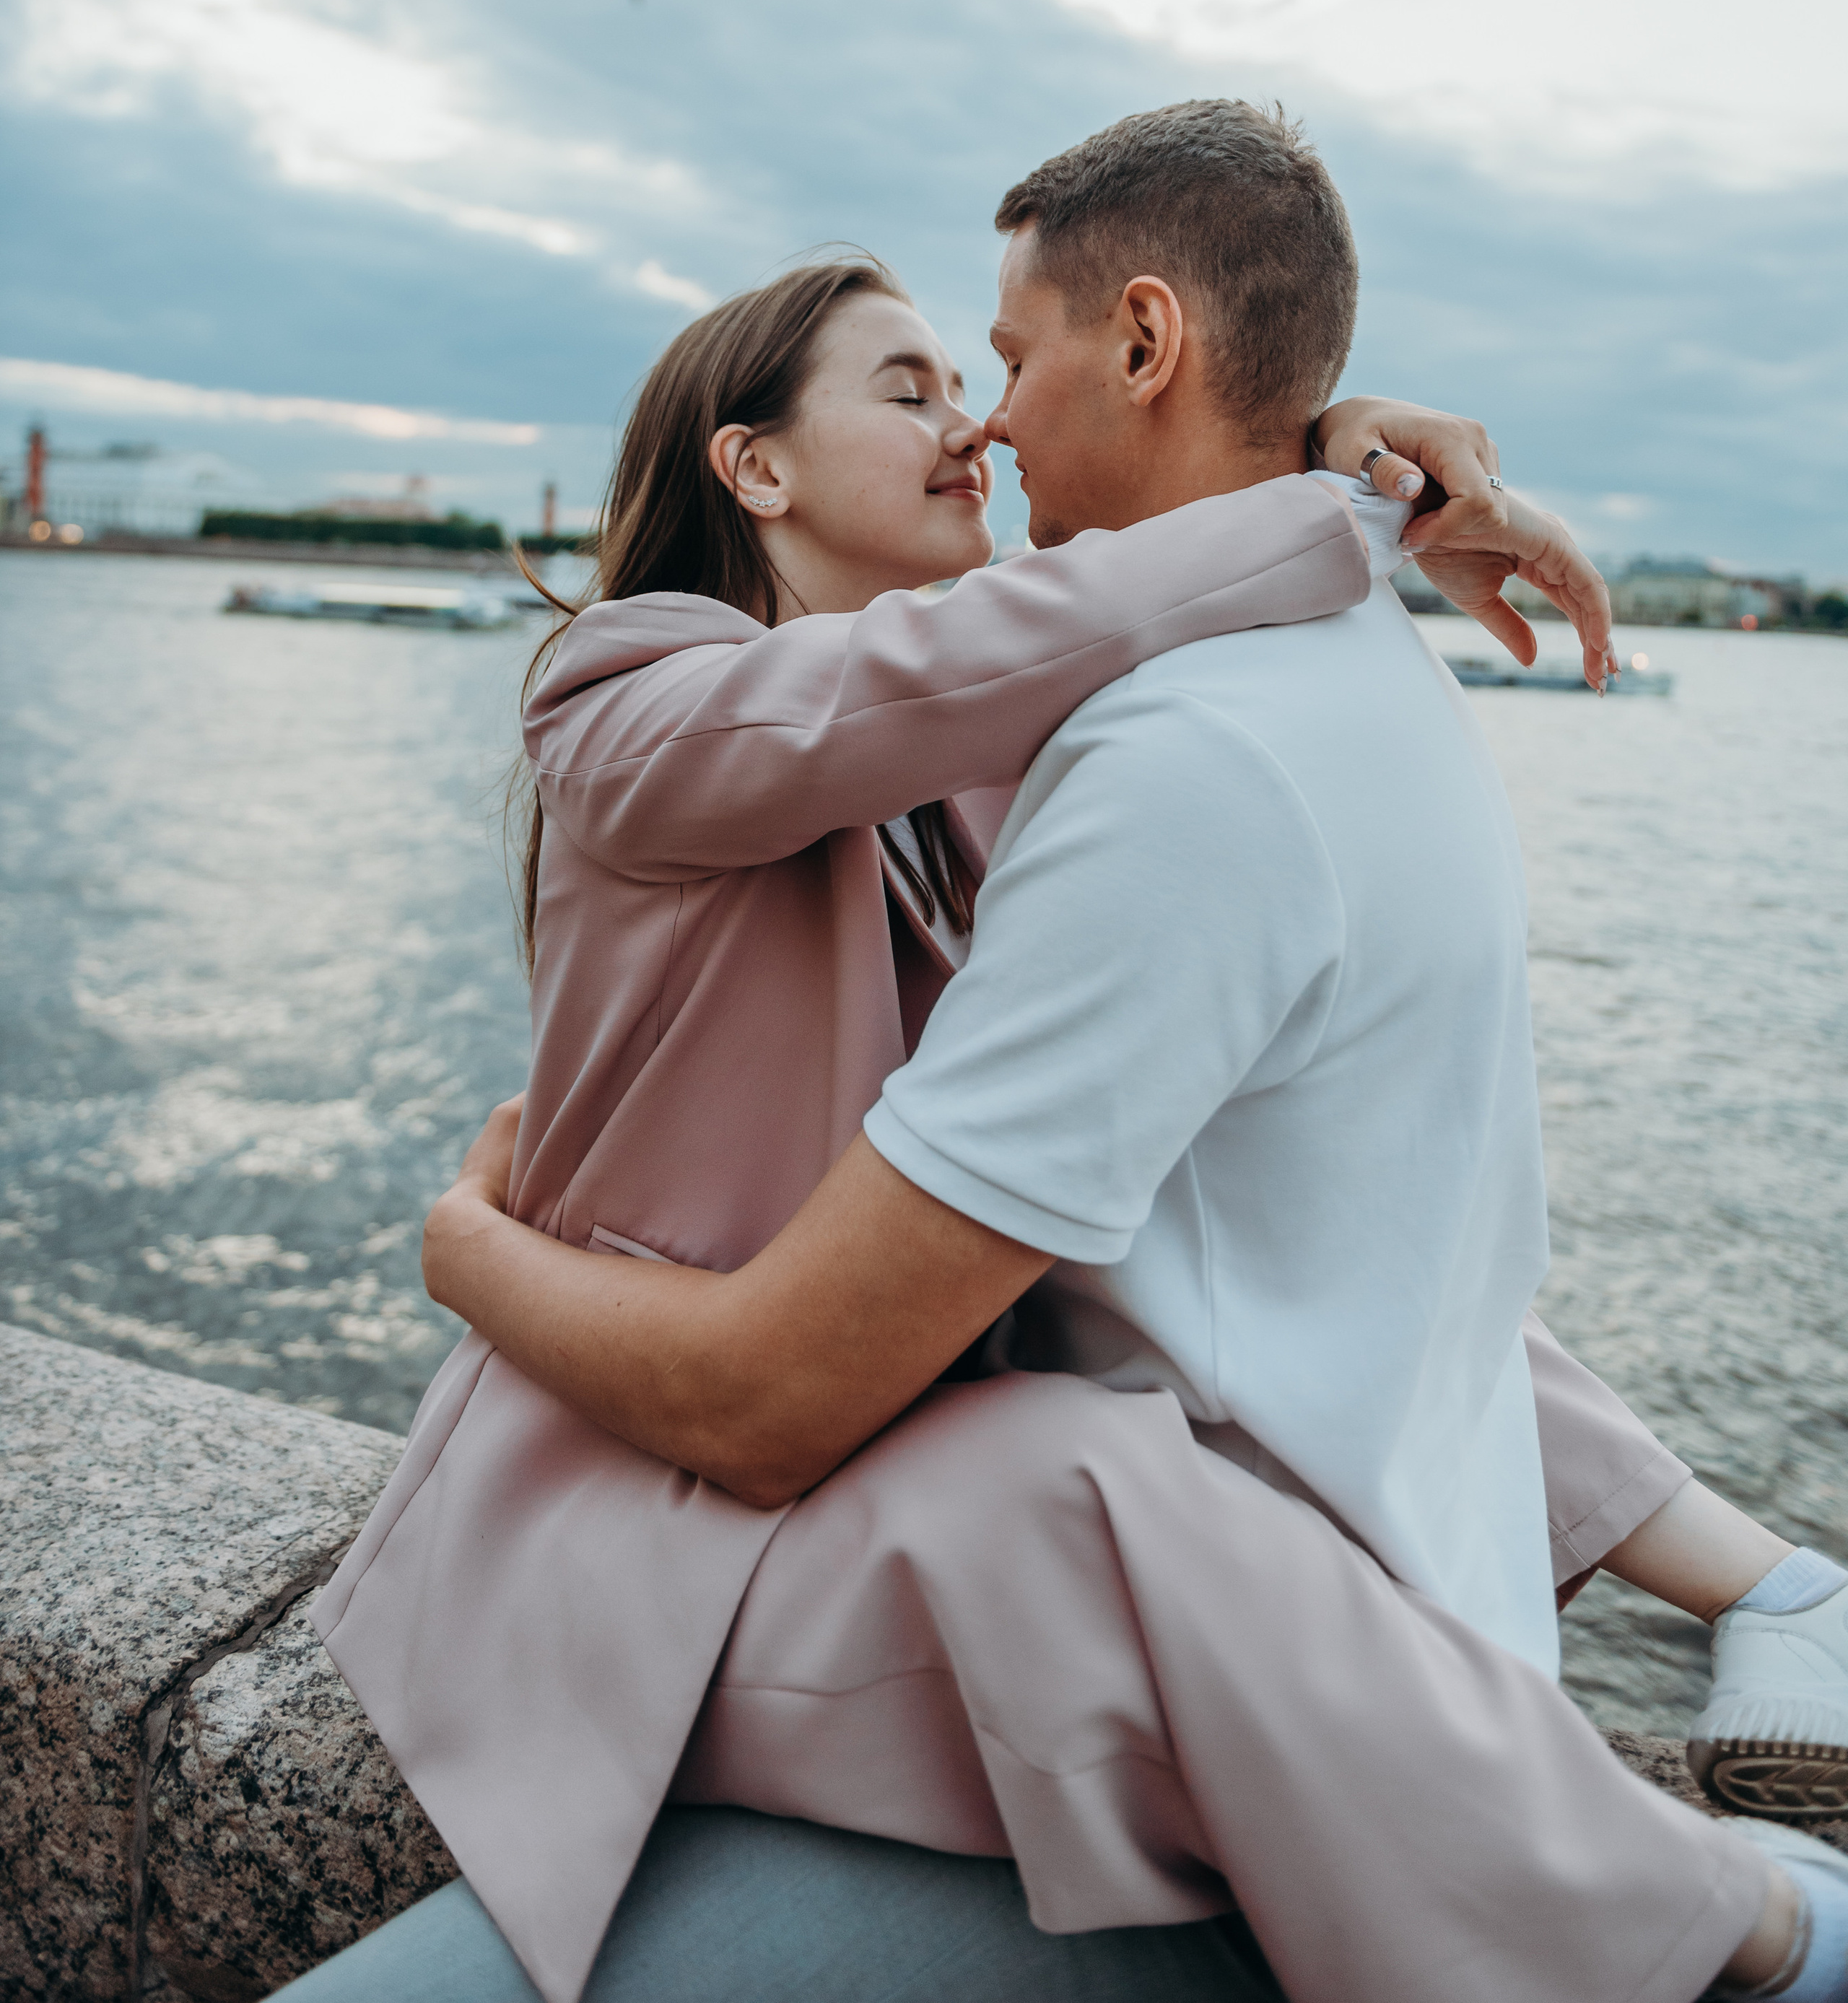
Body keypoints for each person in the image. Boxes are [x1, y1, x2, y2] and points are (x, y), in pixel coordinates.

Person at [308, 110, 1847, 2003]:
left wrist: (1322, 433)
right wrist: (1327, 499)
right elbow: (962, 653)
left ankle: (1782, 1587)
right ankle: (1745, 1930)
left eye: (990, 371)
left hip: (853, 1415)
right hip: (654, 1487)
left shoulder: (968, 753)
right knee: (1082, 1481)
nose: (978, 424)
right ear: (755, 461)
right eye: (915, 384)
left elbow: (1023, 662)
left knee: (1309, 1238)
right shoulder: (623, 693)